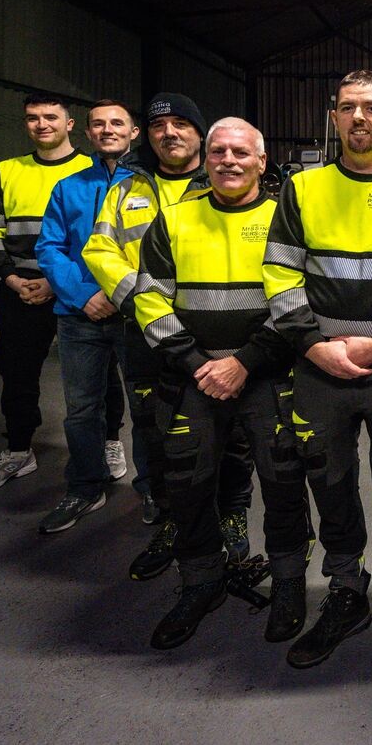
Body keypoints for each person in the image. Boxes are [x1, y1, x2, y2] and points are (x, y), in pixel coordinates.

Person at [263, 70, 372, 675]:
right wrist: (315, 348)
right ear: (334, 119)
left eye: (371, 108)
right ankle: (346, 594)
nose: (358, 118)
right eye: (347, 108)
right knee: (331, 488)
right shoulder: (303, 189)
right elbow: (280, 275)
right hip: (317, 373)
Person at [133, 117, 313, 650]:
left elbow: (298, 301)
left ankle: (288, 584)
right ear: (206, 159)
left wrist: (245, 362)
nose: (229, 160)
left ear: (262, 162)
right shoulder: (173, 220)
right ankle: (201, 581)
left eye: (241, 152)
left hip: (267, 378)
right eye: (218, 151)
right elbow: (149, 297)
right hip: (193, 379)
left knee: (283, 487)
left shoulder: (286, 222)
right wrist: (197, 363)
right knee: (187, 486)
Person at [84, 93, 260, 579]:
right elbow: (101, 250)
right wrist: (141, 303)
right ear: (150, 136)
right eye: (161, 125)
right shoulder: (127, 189)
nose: (171, 133)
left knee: (236, 434)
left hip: (218, 335)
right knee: (155, 430)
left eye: (182, 123)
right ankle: (172, 520)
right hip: (152, 335)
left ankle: (231, 512)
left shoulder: (223, 181)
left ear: (200, 135)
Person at [0, 94, 127, 496]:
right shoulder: (7, 171)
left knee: (102, 374)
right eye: (33, 118)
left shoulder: (97, 170)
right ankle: (18, 449)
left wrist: (59, 283)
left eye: (51, 117)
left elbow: (103, 239)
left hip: (82, 287)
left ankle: (109, 442)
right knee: (17, 370)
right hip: (21, 287)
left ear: (72, 125)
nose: (42, 125)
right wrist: (9, 277)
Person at [35, 100, 140, 532]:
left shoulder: (149, 187)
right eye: (99, 124)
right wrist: (83, 296)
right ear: (88, 133)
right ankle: (84, 487)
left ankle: (153, 489)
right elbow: (49, 247)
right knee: (81, 409)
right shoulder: (68, 187)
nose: (108, 130)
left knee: (147, 405)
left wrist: (124, 295)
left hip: (136, 313)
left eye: (117, 123)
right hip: (80, 317)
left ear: (134, 132)